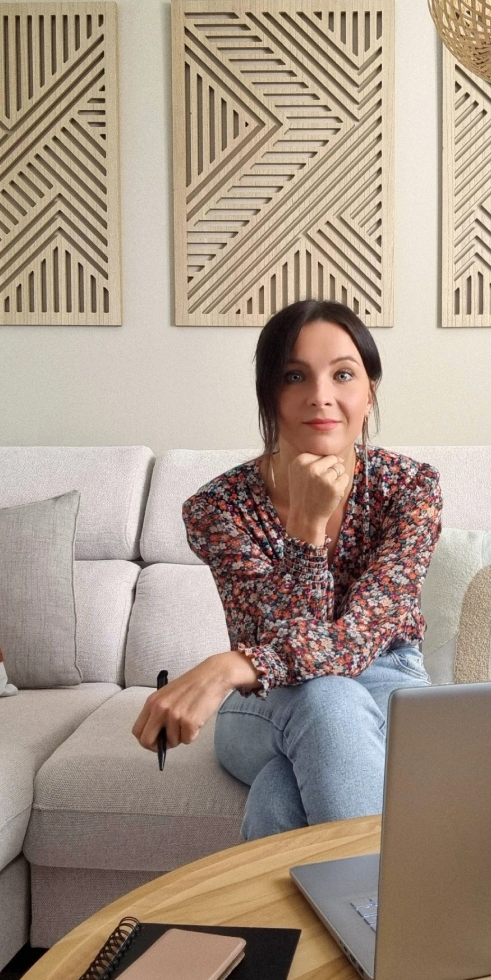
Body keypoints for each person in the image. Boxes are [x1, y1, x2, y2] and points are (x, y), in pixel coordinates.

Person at [131, 299, 443, 839]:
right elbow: (287, 640)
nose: (321, 395)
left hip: (389, 683)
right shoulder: (217, 509)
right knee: (326, 698)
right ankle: (399, 918)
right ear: (269, 396)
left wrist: (227, 667)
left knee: (281, 791)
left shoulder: (410, 488)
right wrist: (308, 526)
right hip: (268, 700)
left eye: (343, 374)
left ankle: (291, 924)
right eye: (294, 376)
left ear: (369, 392)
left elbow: (358, 638)